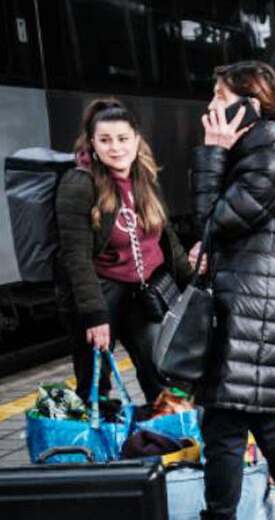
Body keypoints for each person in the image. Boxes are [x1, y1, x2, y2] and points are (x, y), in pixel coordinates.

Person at [193, 60, 275, 520]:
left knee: (227, 428)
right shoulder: (264, 155)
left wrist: (212, 154)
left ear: (250, 106)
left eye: (221, 99)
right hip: (257, 307)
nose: (210, 107)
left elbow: (211, 222)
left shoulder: (264, 163)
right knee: (267, 422)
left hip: (251, 311)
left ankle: (223, 516)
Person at [56, 98, 195, 403]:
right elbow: (75, 257)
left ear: (136, 140)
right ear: (92, 143)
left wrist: (193, 283)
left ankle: (166, 437)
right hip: (101, 292)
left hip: (145, 292)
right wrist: (94, 316)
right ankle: (99, 446)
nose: (115, 147)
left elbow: (165, 238)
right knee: (96, 384)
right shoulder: (80, 184)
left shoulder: (143, 177)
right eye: (105, 140)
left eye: (122, 139)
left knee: (161, 372)